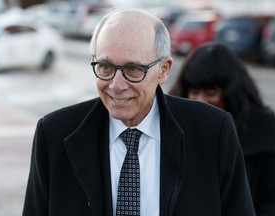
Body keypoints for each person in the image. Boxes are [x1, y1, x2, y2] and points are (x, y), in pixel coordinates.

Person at [22, 8, 256, 216]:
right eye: (105, 67)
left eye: (133, 69)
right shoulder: (54, 134)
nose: (116, 85)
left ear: (164, 70)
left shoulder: (213, 131)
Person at [169, 42, 275, 215]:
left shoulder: (264, 130)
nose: (200, 101)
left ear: (231, 92)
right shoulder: (172, 127)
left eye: (210, 93)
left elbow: (270, 201)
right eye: (194, 92)